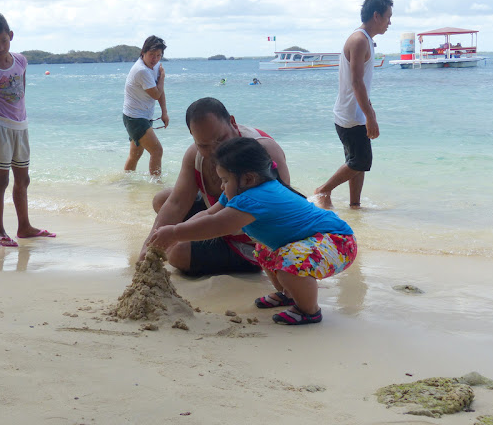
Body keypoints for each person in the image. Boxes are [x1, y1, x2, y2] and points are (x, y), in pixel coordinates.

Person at [150, 137, 357, 325]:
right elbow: (208, 215)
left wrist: (176, 232)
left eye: (225, 180)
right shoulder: (240, 193)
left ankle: (309, 310)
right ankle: (289, 294)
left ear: (248, 179)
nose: (222, 187)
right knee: (263, 250)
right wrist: (177, 232)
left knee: (289, 262)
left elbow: (216, 226)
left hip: (337, 241)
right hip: (317, 240)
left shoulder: (255, 198)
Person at [139, 97, 290, 276]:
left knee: (177, 253)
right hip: (222, 218)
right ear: (194, 138)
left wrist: (179, 234)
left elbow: (279, 213)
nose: (215, 151)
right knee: (162, 199)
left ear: (233, 123)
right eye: (204, 145)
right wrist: (149, 248)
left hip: (251, 238)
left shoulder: (262, 151)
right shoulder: (195, 155)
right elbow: (177, 204)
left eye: (221, 139)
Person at [0, 13, 55, 247]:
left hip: (20, 127)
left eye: (3, 41)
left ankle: (24, 227)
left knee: (23, 179)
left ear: (11, 36)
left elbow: (21, 93)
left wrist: (19, 122)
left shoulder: (21, 61)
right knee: (1, 180)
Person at [315, 0, 393, 209]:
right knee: (361, 161)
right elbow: (356, 82)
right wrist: (369, 117)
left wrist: (370, 111)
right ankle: (323, 190)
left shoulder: (365, 40)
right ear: (376, 16)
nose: (390, 22)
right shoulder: (359, 40)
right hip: (351, 115)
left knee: (357, 163)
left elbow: (362, 83)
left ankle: (355, 205)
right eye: (388, 17)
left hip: (353, 112)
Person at [123, 35, 168, 177]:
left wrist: (164, 113)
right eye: (151, 55)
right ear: (143, 52)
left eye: (158, 55)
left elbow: (160, 92)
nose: (154, 59)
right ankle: (156, 184)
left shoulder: (153, 67)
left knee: (135, 154)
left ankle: (125, 182)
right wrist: (162, 78)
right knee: (157, 151)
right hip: (135, 118)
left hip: (138, 116)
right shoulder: (142, 70)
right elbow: (156, 93)